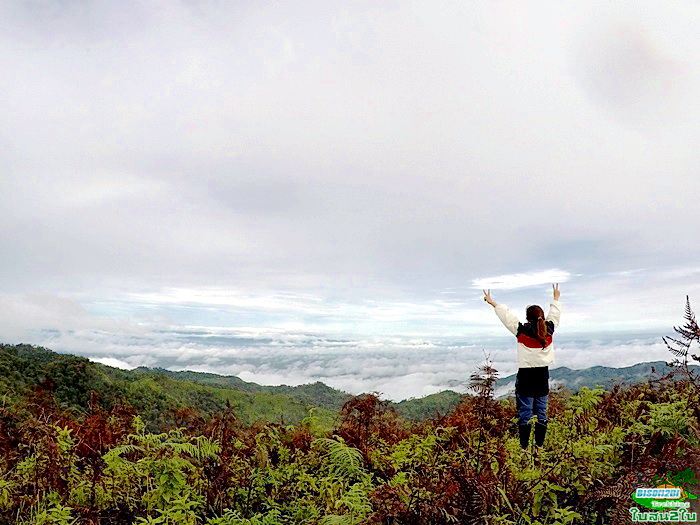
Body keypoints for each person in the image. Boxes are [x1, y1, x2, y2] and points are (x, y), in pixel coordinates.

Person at [482, 284, 561, 450]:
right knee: (542, 412)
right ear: (542, 317)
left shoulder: (521, 330)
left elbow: (507, 316)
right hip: (542, 376)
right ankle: (539, 445)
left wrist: (493, 303)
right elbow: (555, 314)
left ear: (527, 318)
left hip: (526, 376)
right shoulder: (549, 330)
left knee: (525, 412)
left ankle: (524, 447)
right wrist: (555, 298)